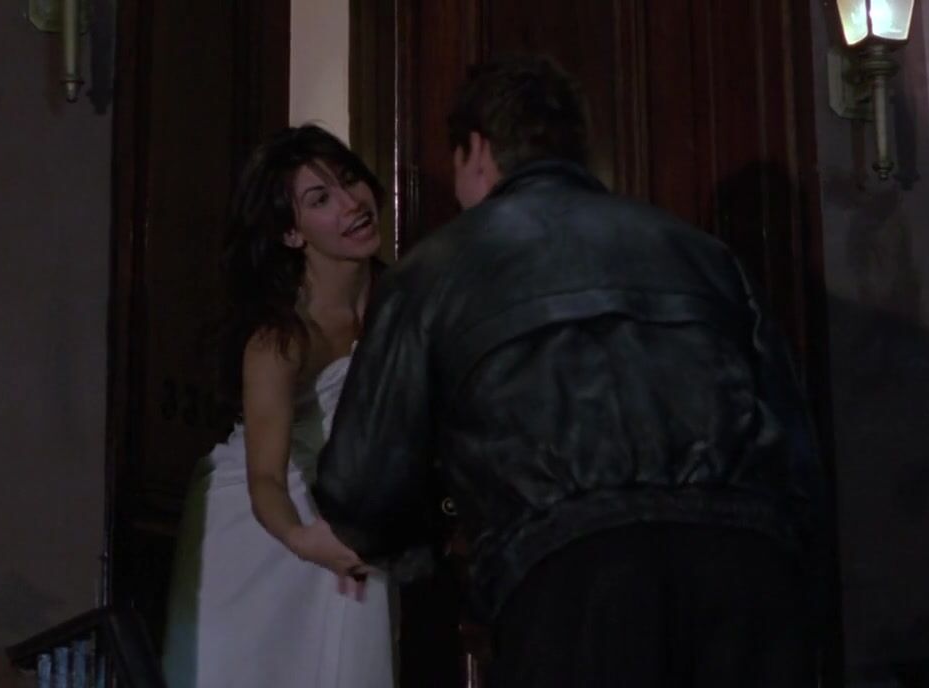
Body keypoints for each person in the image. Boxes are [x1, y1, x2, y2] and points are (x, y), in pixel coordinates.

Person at [313, 55, 826, 687]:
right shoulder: (705, 255)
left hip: (574, 587)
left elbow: (360, 488)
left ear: (477, 150)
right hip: (751, 583)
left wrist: (439, 551)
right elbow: (797, 461)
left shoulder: (434, 269)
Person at [161, 124, 395, 688]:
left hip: (346, 509)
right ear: (292, 233)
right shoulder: (279, 337)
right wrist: (300, 538)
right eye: (320, 199)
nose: (351, 204)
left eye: (349, 180)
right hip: (259, 522)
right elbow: (264, 476)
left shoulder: (404, 303)